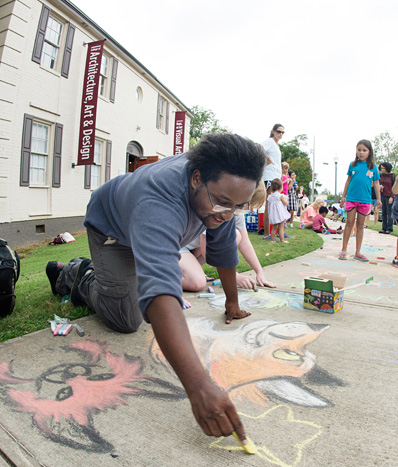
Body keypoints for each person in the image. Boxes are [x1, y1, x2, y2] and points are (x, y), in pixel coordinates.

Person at [45, 133, 266, 441]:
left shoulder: (222, 190)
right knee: (126, 319)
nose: (228, 214)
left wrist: (232, 301)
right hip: (112, 229)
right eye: (223, 203)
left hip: (152, 230)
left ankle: (104, 277)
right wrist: (199, 387)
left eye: (239, 206)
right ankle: (77, 274)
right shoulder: (158, 198)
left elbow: (224, 247)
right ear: (196, 178)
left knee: (146, 285)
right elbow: (160, 291)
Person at [179, 184, 276, 291]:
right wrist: (234, 276)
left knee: (236, 235)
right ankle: (162, 278)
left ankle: (188, 270)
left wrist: (259, 272)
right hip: (178, 246)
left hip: (192, 248)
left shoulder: (237, 212)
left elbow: (245, 241)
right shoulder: (217, 208)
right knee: (197, 282)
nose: (249, 209)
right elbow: (207, 251)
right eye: (249, 205)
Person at [338, 139, 380, 261]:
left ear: (369, 152)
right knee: (349, 223)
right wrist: (343, 197)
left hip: (365, 199)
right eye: (359, 150)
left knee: (360, 225)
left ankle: (358, 252)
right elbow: (348, 181)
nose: (361, 153)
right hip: (351, 198)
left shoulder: (373, 167)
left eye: (364, 150)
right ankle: (344, 250)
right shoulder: (353, 165)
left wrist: (378, 199)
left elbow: (376, 183)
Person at [260, 124, 285, 235]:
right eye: (279, 131)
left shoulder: (276, 145)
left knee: (275, 205)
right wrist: (267, 159)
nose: (280, 134)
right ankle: (266, 233)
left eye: (282, 132)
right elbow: (259, 148)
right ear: (273, 131)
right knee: (269, 204)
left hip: (275, 176)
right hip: (269, 176)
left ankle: (276, 231)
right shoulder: (269, 142)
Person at [265, 178, 290, 243]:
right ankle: (282, 240)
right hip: (280, 214)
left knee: (274, 228)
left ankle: (272, 240)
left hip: (273, 215)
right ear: (280, 187)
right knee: (281, 228)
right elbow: (286, 203)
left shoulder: (270, 196)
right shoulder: (280, 196)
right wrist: (285, 199)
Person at [378, 162, 395, 233]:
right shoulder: (381, 175)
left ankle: (389, 228)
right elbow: (378, 183)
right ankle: (383, 228)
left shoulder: (392, 176)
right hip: (382, 195)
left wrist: (392, 197)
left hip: (389, 195)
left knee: (389, 212)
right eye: (381, 168)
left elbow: (394, 187)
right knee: (383, 212)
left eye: (383, 168)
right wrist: (380, 187)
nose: (382, 169)